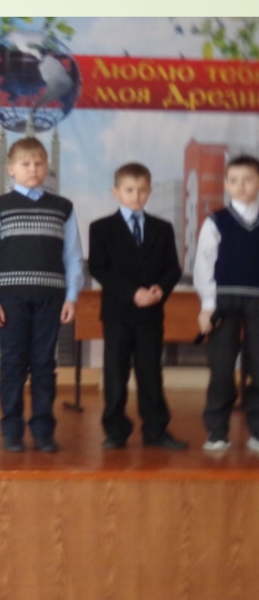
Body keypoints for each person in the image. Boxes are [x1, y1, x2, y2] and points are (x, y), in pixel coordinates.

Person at [0, 137, 83, 452]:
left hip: (51, 298)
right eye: (25, 163)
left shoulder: (62, 208)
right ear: (11, 169)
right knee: (12, 363)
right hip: (10, 299)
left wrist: (72, 296)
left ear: (46, 166)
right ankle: (11, 430)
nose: (33, 169)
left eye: (39, 163)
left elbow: (73, 257)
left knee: (44, 364)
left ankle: (43, 430)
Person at [88, 162, 187, 450]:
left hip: (150, 314)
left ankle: (155, 431)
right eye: (130, 190)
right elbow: (99, 267)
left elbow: (173, 268)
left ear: (149, 191)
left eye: (142, 190)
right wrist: (132, 293)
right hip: (118, 314)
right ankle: (116, 430)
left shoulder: (162, 228)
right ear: (116, 192)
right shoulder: (101, 228)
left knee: (150, 373)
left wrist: (160, 289)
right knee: (115, 374)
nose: (136, 196)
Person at [194, 154, 259, 452]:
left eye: (248, 179)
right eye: (234, 180)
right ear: (226, 184)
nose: (240, 186)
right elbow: (204, 265)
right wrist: (207, 305)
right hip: (223, 302)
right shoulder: (216, 221)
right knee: (221, 369)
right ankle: (217, 431)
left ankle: (257, 430)